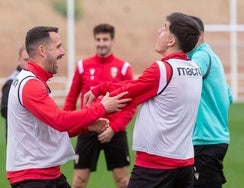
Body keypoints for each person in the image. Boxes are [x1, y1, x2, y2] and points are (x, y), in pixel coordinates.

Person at [84, 12, 203, 188]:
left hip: (156, 164)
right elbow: (139, 85)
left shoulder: (162, 69)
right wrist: (102, 87)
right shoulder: (194, 69)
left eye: (164, 28)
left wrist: (94, 104)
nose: (158, 31)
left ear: (171, 41)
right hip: (184, 161)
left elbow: (130, 92)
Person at [6, 26, 131, 188]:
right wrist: (101, 107)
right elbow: (61, 120)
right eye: (58, 46)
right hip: (33, 177)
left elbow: (55, 126)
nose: (63, 51)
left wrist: (85, 127)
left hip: (47, 173)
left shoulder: (35, 82)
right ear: (42, 50)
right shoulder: (31, 85)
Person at [63, 23, 136, 188]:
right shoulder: (83, 66)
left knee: (123, 181)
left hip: (114, 131)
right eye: (98, 39)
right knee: (79, 181)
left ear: (112, 41)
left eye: (105, 39)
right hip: (87, 128)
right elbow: (71, 98)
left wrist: (114, 128)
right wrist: (67, 126)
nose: (101, 43)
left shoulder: (123, 67)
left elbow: (131, 105)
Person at [187, 15, 233, 188]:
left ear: (199, 35)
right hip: (214, 139)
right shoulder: (211, 57)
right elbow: (228, 96)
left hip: (204, 140)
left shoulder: (200, 57)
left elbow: (184, 78)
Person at [0, 46, 29, 141]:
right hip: (17, 136)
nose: (28, 63)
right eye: (26, 60)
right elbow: (4, 109)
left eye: (31, 60)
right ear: (19, 60)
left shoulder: (33, 79)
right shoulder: (11, 82)